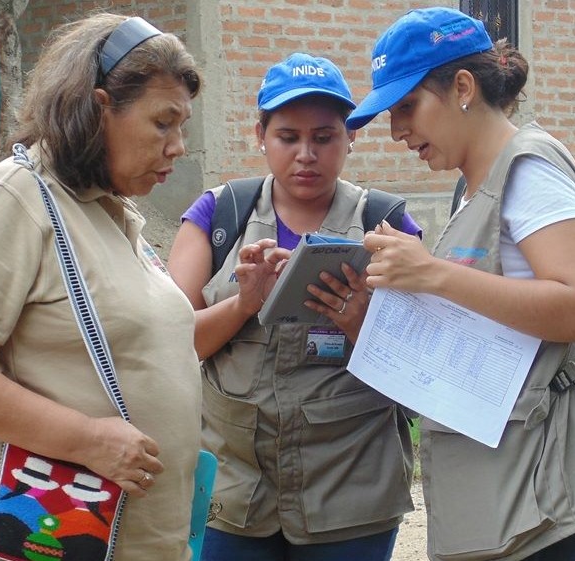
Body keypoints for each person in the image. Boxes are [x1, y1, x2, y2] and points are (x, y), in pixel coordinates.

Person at [0, 13, 203, 561]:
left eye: (183, 126)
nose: (179, 145)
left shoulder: (112, 212)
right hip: (50, 537)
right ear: (99, 107)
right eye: (164, 122)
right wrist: (88, 439)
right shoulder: (15, 195)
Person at [345, 7, 575, 561]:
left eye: (407, 107)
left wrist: (432, 272)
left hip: (550, 500)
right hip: (509, 495)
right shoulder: (473, 187)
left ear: (462, 87)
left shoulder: (530, 167)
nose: (397, 131)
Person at [166, 52, 422, 561]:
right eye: (288, 136)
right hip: (232, 492)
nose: (306, 154)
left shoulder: (386, 223)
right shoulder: (219, 215)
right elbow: (172, 343)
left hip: (352, 493)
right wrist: (244, 304)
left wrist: (360, 325)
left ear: (350, 138)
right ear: (259, 135)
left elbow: (425, 369)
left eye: (324, 137)